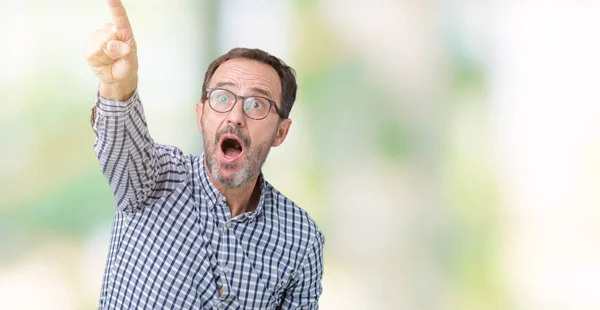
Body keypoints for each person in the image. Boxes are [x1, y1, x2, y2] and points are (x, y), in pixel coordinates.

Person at [84, 0, 324, 309]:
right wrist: (118, 87)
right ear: (201, 116)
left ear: (281, 132)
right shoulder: (154, 179)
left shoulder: (301, 238)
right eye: (222, 97)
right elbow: (122, 148)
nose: (235, 116)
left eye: (256, 104)